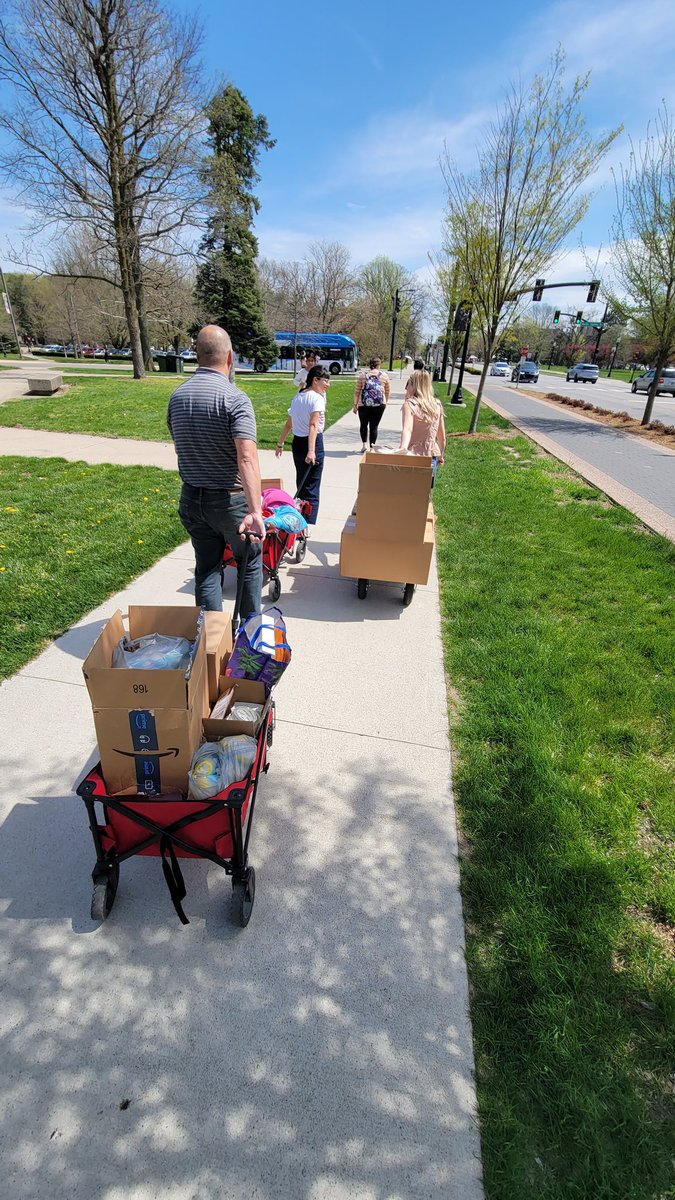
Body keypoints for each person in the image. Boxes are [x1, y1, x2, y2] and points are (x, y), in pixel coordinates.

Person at [167, 325, 265, 618]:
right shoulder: (235, 399)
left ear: (197, 355)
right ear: (230, 357)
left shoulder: (178, 397)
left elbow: (179, 446)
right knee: (249, 561)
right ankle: (248, 643)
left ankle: (211, 645)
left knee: (207, 568)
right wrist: (256, 511)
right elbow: (246, 456)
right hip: (228, 501)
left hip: (191, 499)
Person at [275, 364, 330, 526]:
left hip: (297, 444)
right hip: (311, 443)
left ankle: (298, 519)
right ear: (315, 380)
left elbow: (289, 424)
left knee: (302, 483)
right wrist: (312, 451)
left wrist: (280, 443)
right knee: (312, 486)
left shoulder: (298, 397)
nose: (327, 385)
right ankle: (307, 525)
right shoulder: (316, 399)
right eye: (325, 381)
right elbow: (313, 425)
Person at [399, 368, 446, 476]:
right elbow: (442, 436)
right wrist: (441, 456)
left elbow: (407, 429)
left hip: (412, 455)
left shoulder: (410, 404)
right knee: (426, 490)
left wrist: (403, 449)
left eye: (409, 384)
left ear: (414, 385)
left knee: (407, 490)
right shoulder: (437, 405)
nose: (407, 387)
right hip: (431, 456)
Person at [353, 356, 390, 452]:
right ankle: (372, 448)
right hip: (379, 404)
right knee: (374, 426)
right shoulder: (384, 376)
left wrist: (355, 405)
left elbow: (357, 391)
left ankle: (364, 444)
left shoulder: (362, 375)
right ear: (379, 365)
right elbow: (387, 391)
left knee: (363, 424)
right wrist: (386, 402)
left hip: (363, 404)